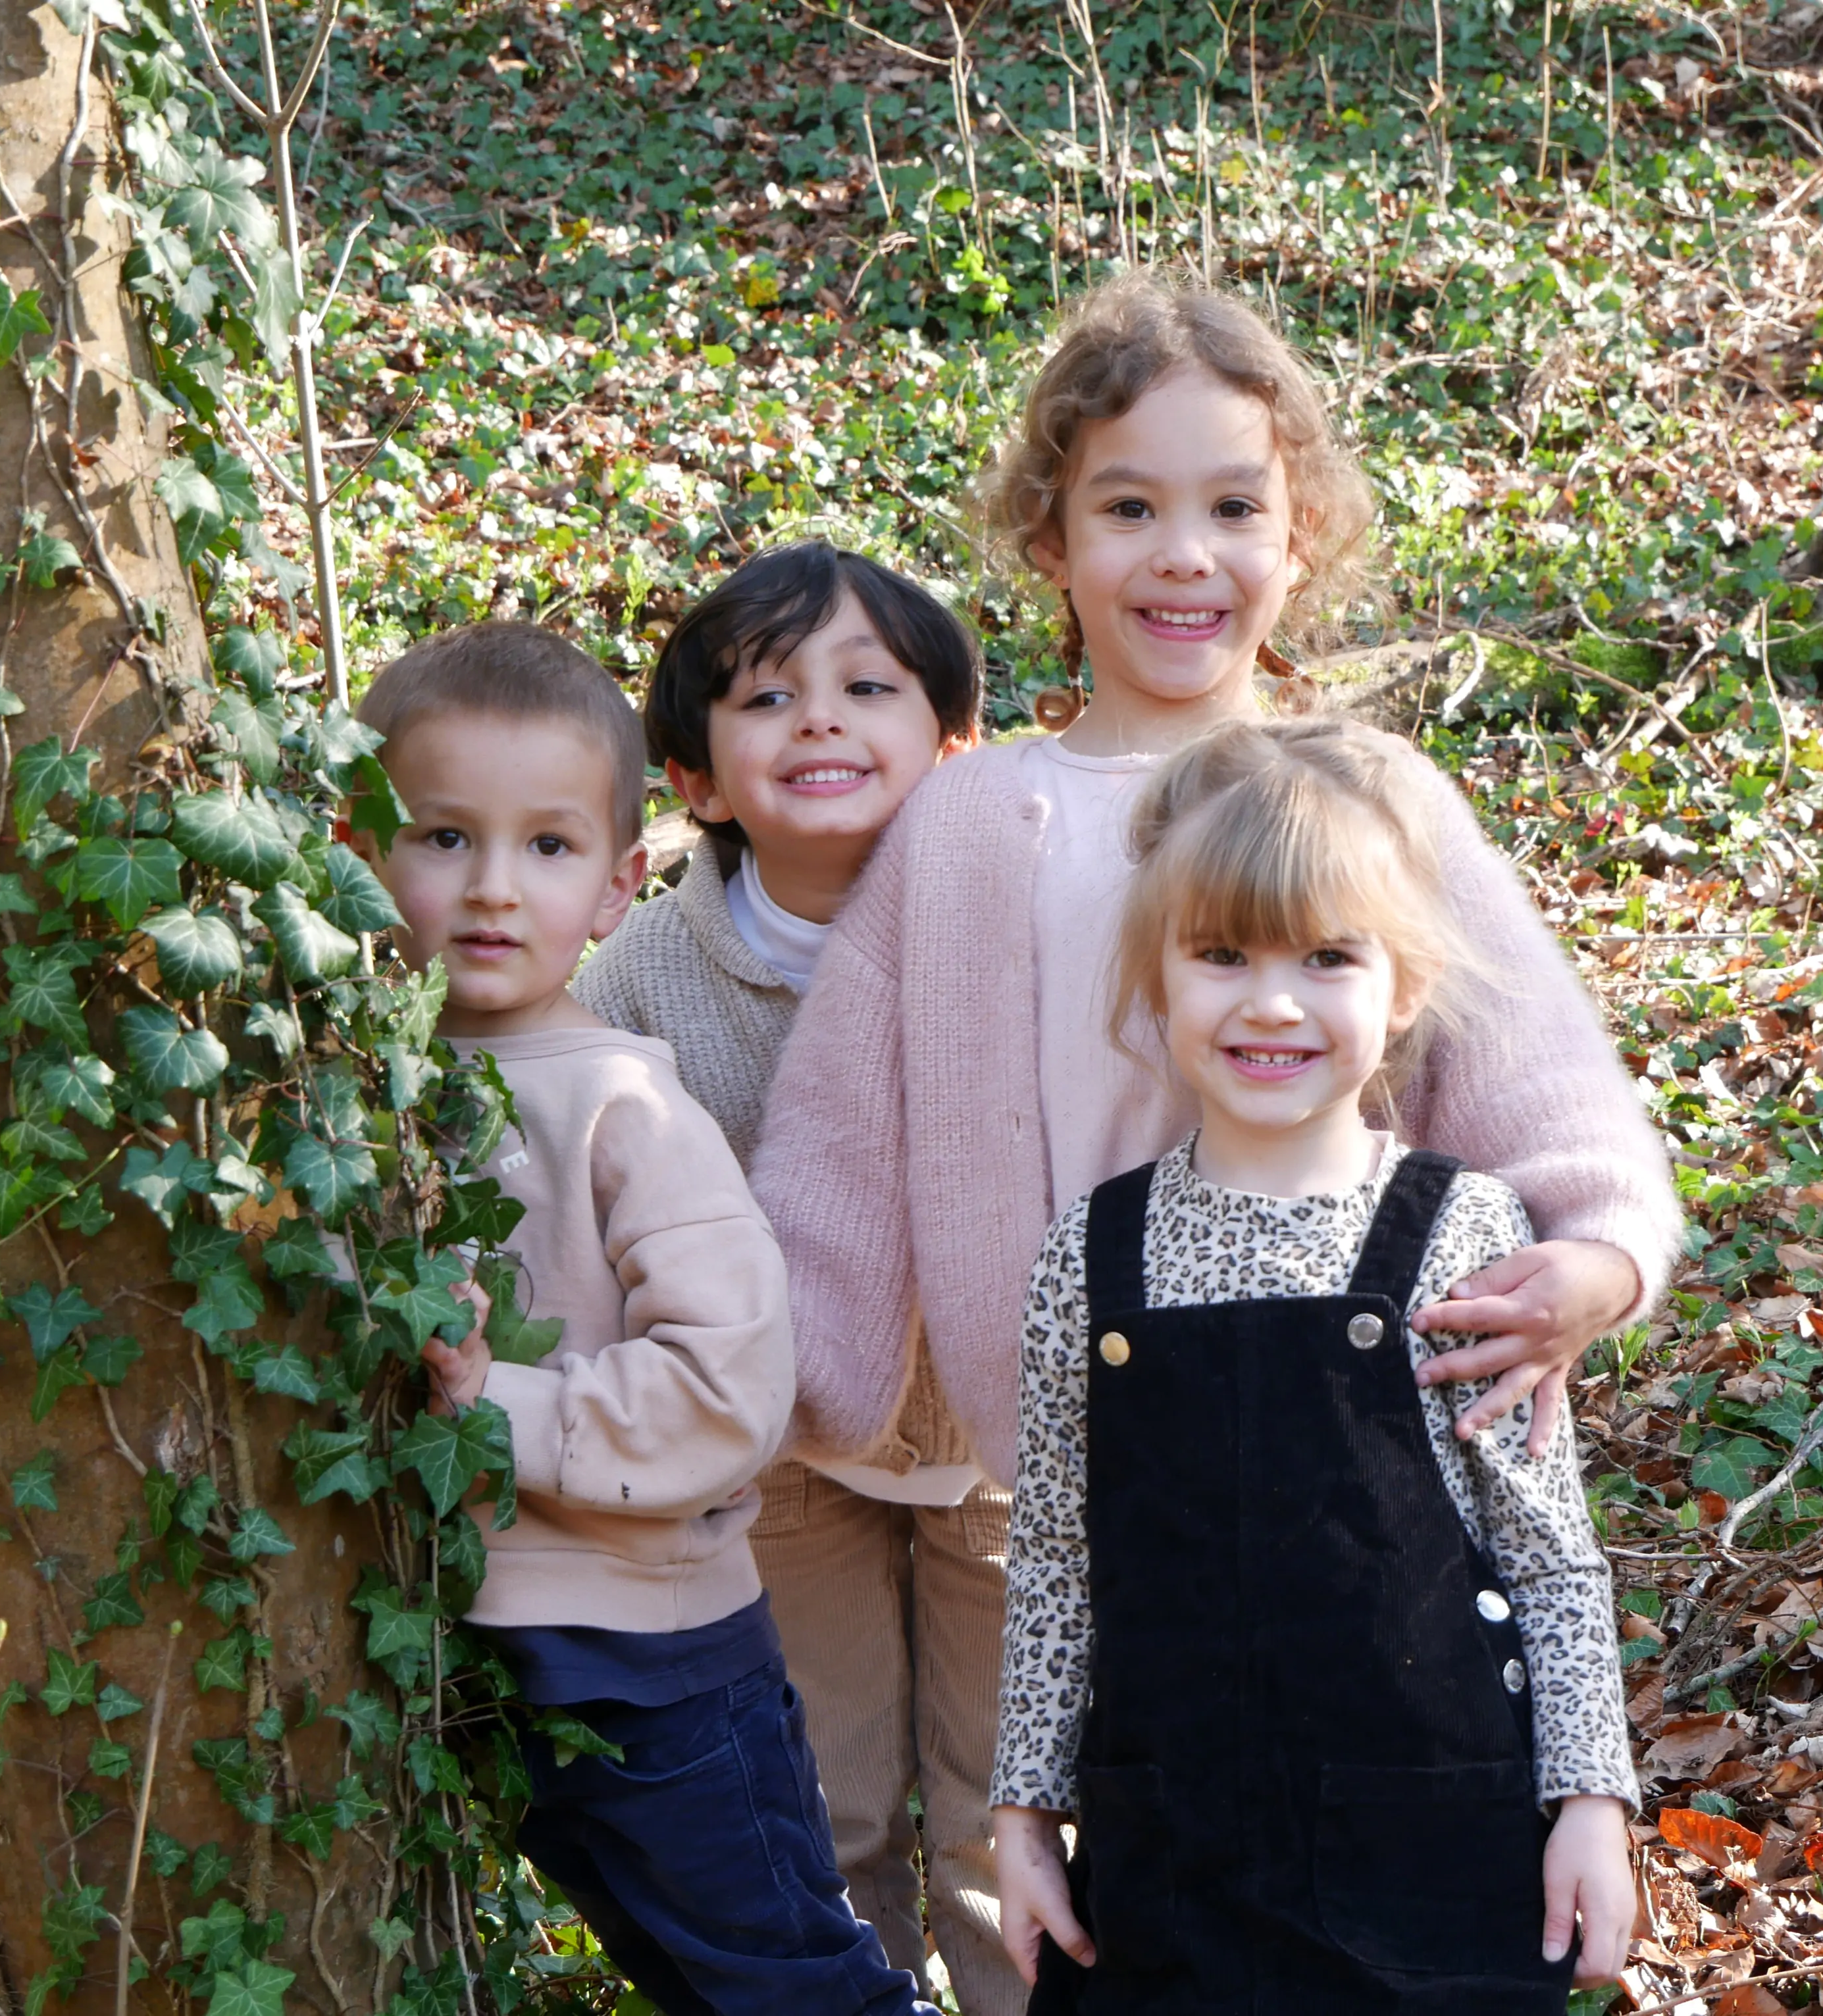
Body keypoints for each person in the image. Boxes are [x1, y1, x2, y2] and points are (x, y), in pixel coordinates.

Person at [753, 269, 1683, 1555]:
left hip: (1347, 1467)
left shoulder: (1374, 802)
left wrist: (1599, 1261)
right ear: (1049, 539)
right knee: (1054, 1760)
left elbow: (1547, 1083)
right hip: (1057, 1496)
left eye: (1234, 506)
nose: (1183, 552)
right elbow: (833, 1152)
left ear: (1298, 538)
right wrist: (743, 1374)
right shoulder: (961, 827)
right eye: (1127, 506)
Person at [990, 716, 1640, 2010]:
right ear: (1156, 979)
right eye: (1221, 954)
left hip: (1427, 1853)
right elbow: (1059, 1554)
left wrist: (1589, 1798)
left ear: (1397, 987)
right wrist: (1021, 1812)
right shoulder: (1093, 1253)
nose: (1270, 999)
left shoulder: (1457, 1228)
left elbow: (1545, 1545)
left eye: (1325, 957)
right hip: (1168, 1859)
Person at [349, 620, 936, 2016]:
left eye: (546, 848)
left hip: (654, 1662)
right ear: (361, 851)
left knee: (791, 1983)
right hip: (475, 1645)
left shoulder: (626, 1107)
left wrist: (500, 1405)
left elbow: (730, 1385)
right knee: (686, 1981)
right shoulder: (354, 1094)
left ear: (619, 887)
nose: (491, 888)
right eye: (441, 837)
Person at [573, 542, 1026, 2015]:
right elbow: (567, 1166)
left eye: (867, 688)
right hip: (775, 1455)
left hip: (1001, 1441)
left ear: (951, 746)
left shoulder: (1021, 922)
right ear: (697, 778)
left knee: (1009, 1806)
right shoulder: (645, 976)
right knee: (821, 1802)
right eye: (768, 697)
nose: (820, 719)